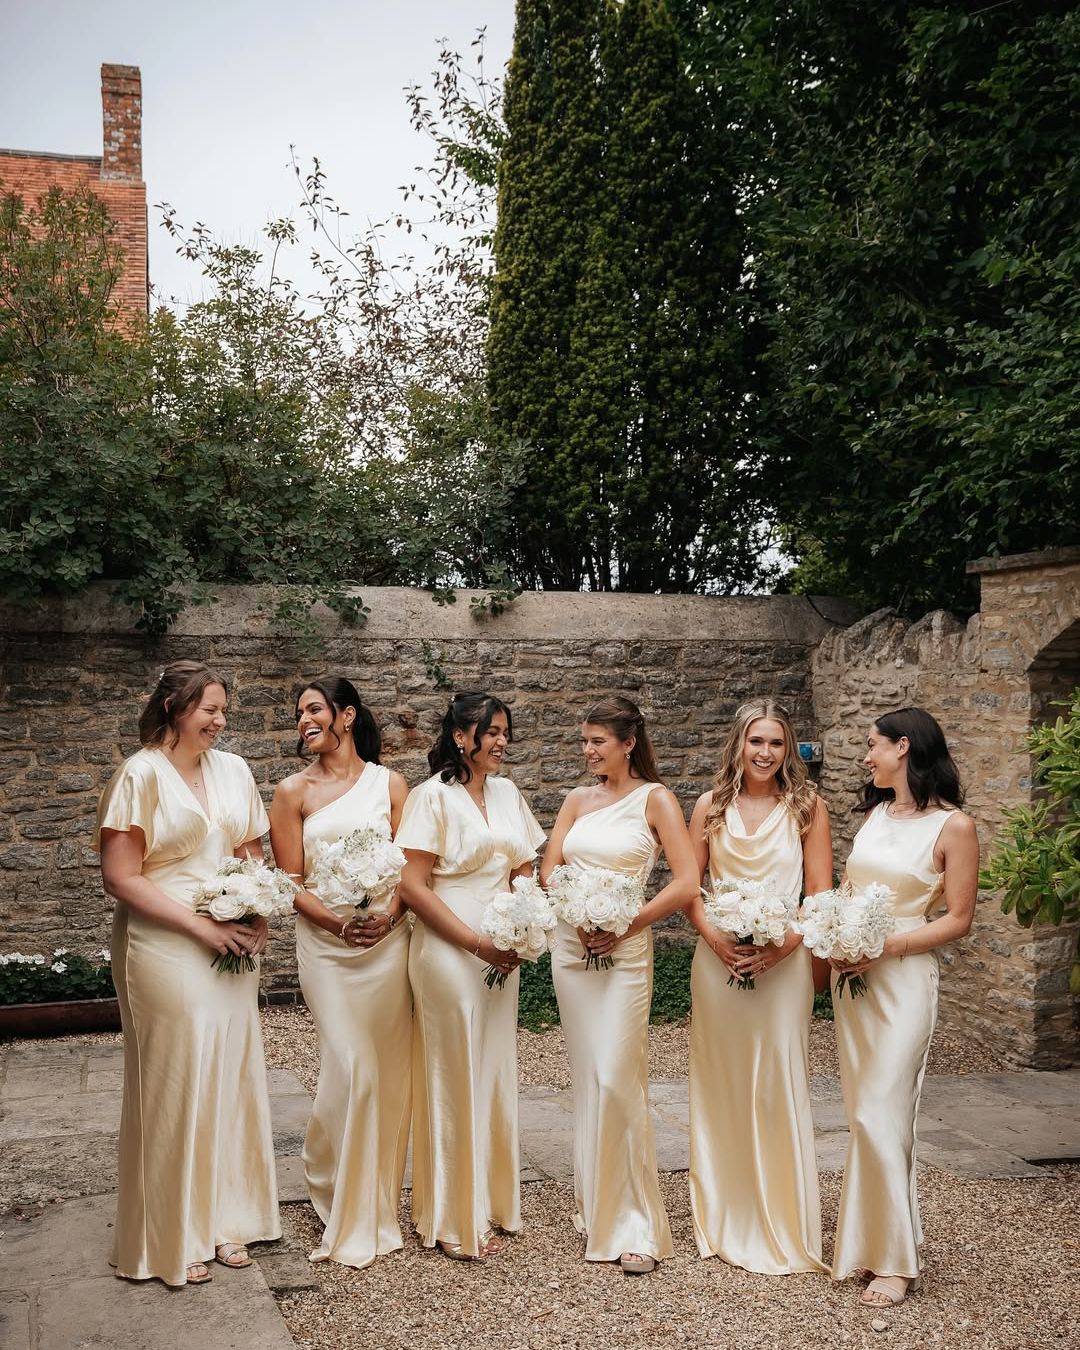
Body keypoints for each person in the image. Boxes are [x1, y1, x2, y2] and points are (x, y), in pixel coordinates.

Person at [94, 660, 280, 1287]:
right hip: (164, 943)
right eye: (210, 709)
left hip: (232, 941)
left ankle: (227, 1219)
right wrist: (200, 928)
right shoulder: (140, 774)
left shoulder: (235, 770)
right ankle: (173, 1233)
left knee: (228, 1075)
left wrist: (259, 914)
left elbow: (250, 854)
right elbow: (120, 877)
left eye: (224, 710)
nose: (221, 721)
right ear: (174, 707)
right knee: (176, 1080)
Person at [540, 696, 698, 1275]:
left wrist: (625, 923)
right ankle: (598, 1204)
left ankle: (635, 1223)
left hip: (626, 953)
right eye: (584, 740)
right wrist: (579, 912)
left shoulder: (656, 799)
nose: (587, 750)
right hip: (572, 949)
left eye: (598, 741)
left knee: (617, 1078)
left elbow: (686, 882)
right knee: (589, 1079)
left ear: (628, 744)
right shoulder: (576, 800)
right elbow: (550, 869)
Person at [831, 707, 978, 1306]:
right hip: (855, 981)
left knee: (881, 1111)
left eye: (873, 745)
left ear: (904, 747)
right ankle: (876, 1243)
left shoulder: (954, 826)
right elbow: (850, 891)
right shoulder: (875, 815)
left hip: (904, 978)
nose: (866, 756)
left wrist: (887, 945)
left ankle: (896, 1263)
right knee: (864, 1115)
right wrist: (836, 933)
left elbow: (959, 919)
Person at [396, 691, 545, 1261]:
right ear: (462, 737)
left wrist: (524, 925)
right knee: (452, 1070)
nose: (502, 741)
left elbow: (524, 869)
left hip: (502, 949)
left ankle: (490, 1201)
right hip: (449, 948)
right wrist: (475, 942)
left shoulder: (508, 793)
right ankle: (450, 1215)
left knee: (491, 1068)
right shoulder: (430, 796)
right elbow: (412, 886)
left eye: (506, 731)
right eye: (492, 732)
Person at [269, 677, 410, 1270]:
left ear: (346, 716)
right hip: (326, 948)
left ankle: (360, 1186)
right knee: (351, 1063)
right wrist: (336, 924)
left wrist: (389, 917)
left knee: (380, 1072)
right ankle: (335, 1183)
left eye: (314, 709)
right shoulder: (291, 792)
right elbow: (289, 882)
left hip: (387, 946)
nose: (304, 720)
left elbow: (411, 870)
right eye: (299, 712)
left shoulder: (390, 784)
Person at [686, 699, 832, 1274]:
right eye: (756, 741)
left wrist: (783, 948)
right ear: (739, 744)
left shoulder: (807, 807)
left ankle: (783, 1217)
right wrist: (717, 942)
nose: (765, 753)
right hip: (717, 963)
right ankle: (725, 1211)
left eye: (775, 742)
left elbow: (818, 893)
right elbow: (690, 888)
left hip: (784, 965)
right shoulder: (710, 806)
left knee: (777, 1082)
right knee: (721, 1083)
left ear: (787, 748)